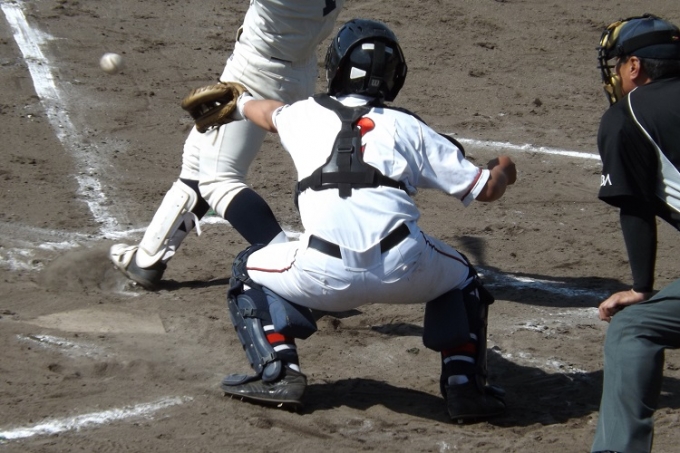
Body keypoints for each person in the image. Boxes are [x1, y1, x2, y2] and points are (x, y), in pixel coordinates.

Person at [219, 18, 516, 423]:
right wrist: (504, 168)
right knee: (464, 278)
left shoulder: (303, 114)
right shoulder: (409, 127)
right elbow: (487, 189)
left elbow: (269, 113)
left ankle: (278, 372)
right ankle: (465, 388)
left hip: (321, 275)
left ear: (337, 67)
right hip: (405, 268)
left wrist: (237, 102)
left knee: (246, 269)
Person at [108, 1, 345, 289]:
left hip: (254, 74)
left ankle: (293, 270)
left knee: (220, 178)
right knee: (199, 157)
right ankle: (148, 259)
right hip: (301, 71)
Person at [591, 14, 680, 453]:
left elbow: (635, 207)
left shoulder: (627, 116)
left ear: (635, 67)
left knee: (632, 329)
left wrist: (641, 287)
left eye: (619, 64)